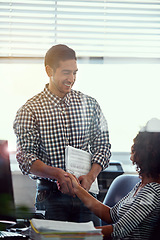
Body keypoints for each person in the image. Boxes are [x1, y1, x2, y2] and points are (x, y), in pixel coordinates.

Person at [13, 44, 111, 225]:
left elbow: (103, 146)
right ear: (49, 70)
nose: (72, 78)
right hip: (50, 198)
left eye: (75, 72)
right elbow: (25, 158)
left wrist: (90, 177)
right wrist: (56, 174)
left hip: (86, 194)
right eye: (66, 72)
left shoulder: (90, 104)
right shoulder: (29, 110)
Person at [65, 118, 160, 239]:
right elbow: (111, 215)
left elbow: (118, 230)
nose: (132, 147)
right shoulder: (141, 186)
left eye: (136, 145)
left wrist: (70, 234)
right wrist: (78, 189)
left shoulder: (151, 191)